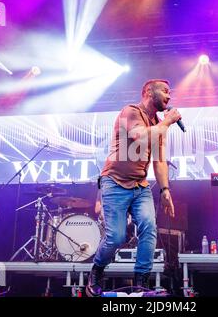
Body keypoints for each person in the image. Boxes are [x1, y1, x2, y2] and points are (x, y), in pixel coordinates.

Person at [86, 79, 180, 297]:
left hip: (140, 186)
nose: (169, 96)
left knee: (149, 227)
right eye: (165, 92)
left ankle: (141, 283)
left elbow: (159, 160)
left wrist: (165, 190)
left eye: (170, 93)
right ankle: (97, 271)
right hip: (114, 182)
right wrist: (167, 122)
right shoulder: (131, 111)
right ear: (148, 91)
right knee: (116, 237)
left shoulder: (157, 123)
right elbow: (140, 136)